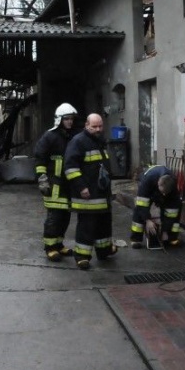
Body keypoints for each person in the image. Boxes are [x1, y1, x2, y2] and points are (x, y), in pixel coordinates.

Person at [63, 113, 116, 269]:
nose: (98, 129)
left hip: (101, 194)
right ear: (86, 125)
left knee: (104, 225)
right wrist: (81, 187)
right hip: (87, 195)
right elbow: (70, 168)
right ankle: (82, 256)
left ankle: (104, 251)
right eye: (94, 126)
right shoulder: (78, 141)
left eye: (100, 126)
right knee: (87, 226)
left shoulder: (99, 141)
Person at [33, 103, 78, 261]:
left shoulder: (73, 136)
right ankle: (50, 247)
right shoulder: (49, 136)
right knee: (54, 218)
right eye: (67, 119)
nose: (70, 122)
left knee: (65, 218)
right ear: (60, 119)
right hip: (53, 184)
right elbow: (39, 157)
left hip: (68, 185)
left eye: (71, 119)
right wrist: (42, 178)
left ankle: (59, 245)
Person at [130, 165, 182, 249]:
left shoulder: (172, 183)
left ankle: (172, 237)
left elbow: (172, 209)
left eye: (165, 193)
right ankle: (136, 239)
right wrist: (147, 220)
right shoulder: (147, 180)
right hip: (150, 189)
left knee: (174, 212)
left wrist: (165, 230)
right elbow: (141, 204)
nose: (163, 195)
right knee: (139, 210)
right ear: (158, 183)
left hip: (164, 188)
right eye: (162, 192)